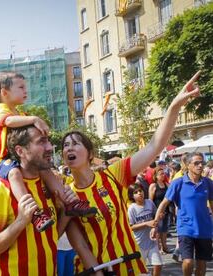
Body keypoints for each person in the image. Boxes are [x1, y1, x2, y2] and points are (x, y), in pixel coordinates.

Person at [62, 71, 201, 275]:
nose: (69, 148)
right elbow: (79, 242)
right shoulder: (66, 194)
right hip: (91, 270)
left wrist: (174, 106)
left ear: (90, 153)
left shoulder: (112, 174)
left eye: (75, 144)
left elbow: (153, 146)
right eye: (65, 145)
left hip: (128, 265)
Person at [0, 71, 95, 232]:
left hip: (21, 155)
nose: (26, 91)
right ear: (4, 92)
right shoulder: (1, 109)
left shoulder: (21, 113)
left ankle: (69, 202)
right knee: (14, 174)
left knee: (46, 170)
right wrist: (35, 119)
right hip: (4, 159)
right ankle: (34, 213)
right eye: (21, 87)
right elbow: (8, 121)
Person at [0, 125, 79, 275]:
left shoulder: (49, 186)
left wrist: (66, 212)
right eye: (41, 142)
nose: (50, 147)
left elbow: (51, 236)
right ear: (20, 151)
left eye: (48, 141)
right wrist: (20, 221)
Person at [154, 152, 213, 276]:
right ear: (188, 165)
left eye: (202, 162)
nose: (200, 165)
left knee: (202, 265)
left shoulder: (208, 183)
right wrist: (155, 224)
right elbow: (164, 204)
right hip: (185, 228)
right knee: (188, 262)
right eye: (196, 163)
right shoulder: (178, 183)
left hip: (204, 228)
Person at [128, 184, 163, 276]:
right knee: (142, 270)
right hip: (139, 244)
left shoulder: (149, 202)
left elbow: (156, 216)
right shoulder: (132, 208)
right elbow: (131, 227)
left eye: (140, 191)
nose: (139, 193)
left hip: (152, 241)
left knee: (158, 265)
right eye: (136, 192)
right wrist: (146, 223)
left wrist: (159, 216)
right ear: (132, 196)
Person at [149, 167, 170, 253]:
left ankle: (164, 247)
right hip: (156, 211)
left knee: (164, 230)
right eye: (161, 174)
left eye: (163, 173)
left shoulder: (167, 185)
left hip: (166, 211)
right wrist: (154, 212)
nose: (163, 175)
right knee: (157, 230)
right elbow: (150, 200)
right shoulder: (153, 186)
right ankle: (157, 247)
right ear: (156, 176)